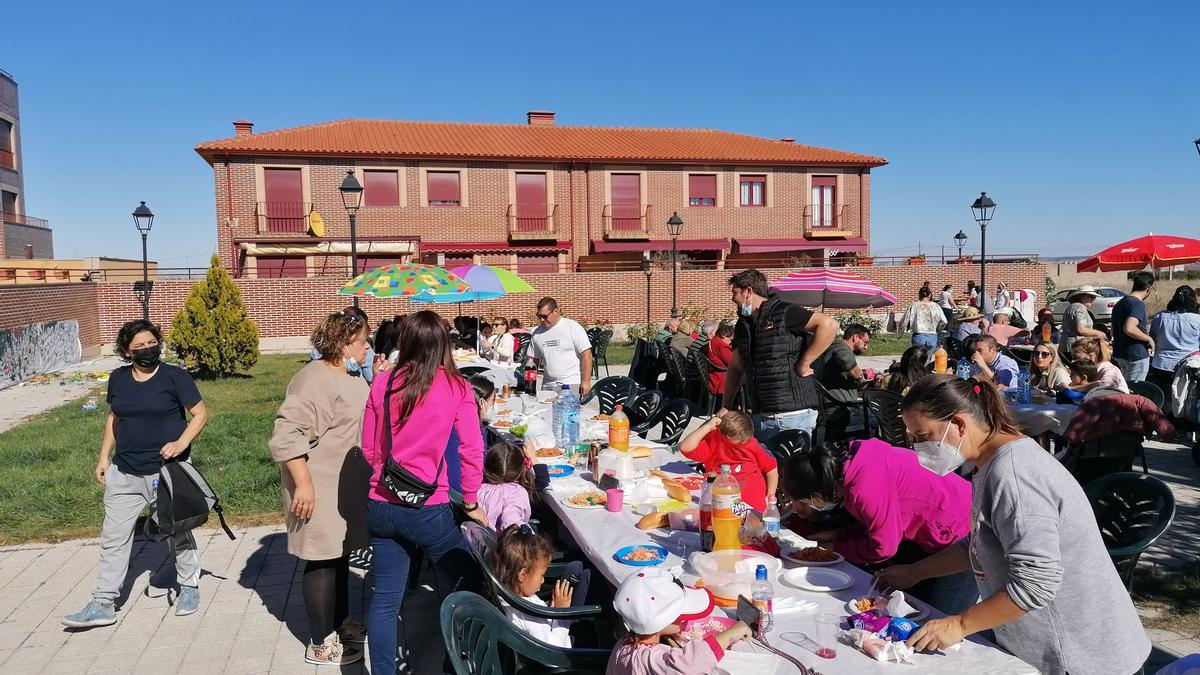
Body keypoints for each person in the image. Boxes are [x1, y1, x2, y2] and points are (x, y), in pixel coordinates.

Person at [877, 375, 1150, 674]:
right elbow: (979, 544)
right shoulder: (990, 464)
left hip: (1084, 657)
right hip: (1053, 647)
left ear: (958, 424)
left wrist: (960, 624)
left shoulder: (1014, 474)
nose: (918, 447)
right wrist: (915, 572)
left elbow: (1036, 584)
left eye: (922, 435)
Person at [360, 311, 487, 674]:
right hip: (429, 508)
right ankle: (453, 664)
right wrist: (471, 499)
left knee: (386, 599)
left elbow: (369, 449)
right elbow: (471, 449)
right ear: (443, 344)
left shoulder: (383, 383)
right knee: (464, 585)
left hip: (381, 503)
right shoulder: (457, 387)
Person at [63, 320, 209, 629]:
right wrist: (104, 457)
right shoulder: (118, 379)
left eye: (150, 343)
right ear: (127, 352)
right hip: (124, 470)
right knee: (113, 538)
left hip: (166, 472)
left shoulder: (175, 377)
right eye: (138, 347)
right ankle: (103, 602)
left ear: (159, 342)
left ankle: (189, 587)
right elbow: (114, 419)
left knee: (176, 530)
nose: (146, 350)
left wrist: (181, 442)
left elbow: (200, 414)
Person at [268, 312, 372, 664]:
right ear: (343, 343)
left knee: (339, 556)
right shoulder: (312, 380)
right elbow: (287, 434)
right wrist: (304, 485)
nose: (367, 346)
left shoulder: (349, 373)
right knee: (322, 561)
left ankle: (341, 625)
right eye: (362, 341)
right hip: (318, 485)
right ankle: (319, 642)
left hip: (344, 486)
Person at [782, 440, 976, 615]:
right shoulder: (853, 466)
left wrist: (837, 551)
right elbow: (880, 522)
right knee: (913, 609)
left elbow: (884, 546)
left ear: (816, 495)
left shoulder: (863, 488)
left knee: (941, 616)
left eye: (802, 503)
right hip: (941, 528)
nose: (801, 510)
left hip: (963, 534)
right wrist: (838, 535)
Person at [721, 268, 839, 443]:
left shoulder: (784, 312)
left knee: (791, 469)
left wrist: (804, 363)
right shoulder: (743, 325)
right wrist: (726, 406)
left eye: (735, 293)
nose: (733, 299)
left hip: (791, 415)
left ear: (748, 292)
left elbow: (829, 325)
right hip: (762, 415)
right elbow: (736, 367)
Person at [606, 568, 750, 675]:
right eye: (681, 614)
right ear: (660, 622)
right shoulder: (648, 658)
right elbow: (692, 664)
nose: (686, 618)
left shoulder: (625, 643)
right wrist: (731, 633)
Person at [491, 524, 592, 649]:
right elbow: (553, 649)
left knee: (578, 568)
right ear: (523, 575)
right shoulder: (526, 613)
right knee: (589, 628)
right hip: (565, 651)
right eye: (541, 575)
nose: (543, 580)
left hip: (553, 621)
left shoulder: (515, 597)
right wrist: (562, 614)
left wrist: (551, 607)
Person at [679, 411, 778, 512]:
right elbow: (685, 447)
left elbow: (771, 468)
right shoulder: (715, 441)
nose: (739, 446)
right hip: (720, 502)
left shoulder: (753, 445)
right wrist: (708, 426)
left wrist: (770, 496)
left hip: (752, 505)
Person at [531, 297, 593, 396]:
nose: (542, 320)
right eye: (539, 316)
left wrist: (586, 381)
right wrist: (530, 382)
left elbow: (587, 355)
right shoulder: (536, 332)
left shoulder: (572, 327)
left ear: (556, 311)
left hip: (570, 384)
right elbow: (534, 360)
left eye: (544, 316)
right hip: (547, 385)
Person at [1149, 286, 1200, 402]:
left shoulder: (1160, 316)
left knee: (1163, 401)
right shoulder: (1197, 320)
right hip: (1188, 367)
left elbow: (1152, 338)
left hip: (1161, 365)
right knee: (1185, 402)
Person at [477, 443, 537, 531]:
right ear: (521, 469)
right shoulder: (516, 493)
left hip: (483, 539)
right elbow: (511, 523)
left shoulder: (478, 489)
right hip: (505, 541)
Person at [1112, 271, 1156, 383]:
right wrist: (1149, 339)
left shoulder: (1120, 303)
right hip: (1136, 354)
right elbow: (1129, 328)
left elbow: (1113, 330)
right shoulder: (1137, 304)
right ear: (1149, 288)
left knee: (1125, 389)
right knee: (1134, 391)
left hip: (1121, 353)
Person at [815, 323, 871, 402]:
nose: (866, 347)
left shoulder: (835, 347)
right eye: (865, 342)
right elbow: (844, 358)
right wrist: (858, 374)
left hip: (838, 401)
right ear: (856, 337)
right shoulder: (842, 348)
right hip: (840, 406)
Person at [1058, 285, 1106, 361]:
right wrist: (1099, 333)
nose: (1091, 299)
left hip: (1068, 347)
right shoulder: (1080, 307)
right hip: (1076, 348)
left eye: (1092, 297)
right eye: (1088, 297)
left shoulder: (1072, 307)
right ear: (1080, 297)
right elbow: (1081, 329)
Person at [704, 323, 734, 398]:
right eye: (730, 339)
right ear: (724, 336)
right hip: (721, 376)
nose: (731, 342)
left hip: (713, 374)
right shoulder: (721, 345)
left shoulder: (713, 340)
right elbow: (732, 362)